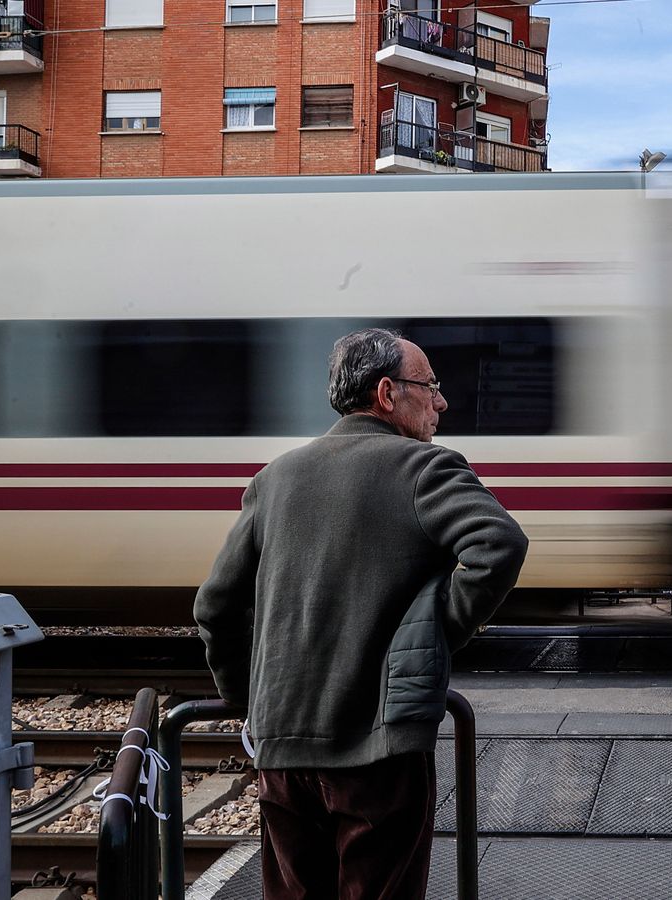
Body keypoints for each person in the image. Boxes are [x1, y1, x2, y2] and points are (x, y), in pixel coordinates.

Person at [195, 327, 528, 900]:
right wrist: (431, 634)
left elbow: (215, 607)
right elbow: (498, 544)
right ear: (386, 393)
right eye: (430, 386)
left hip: (283, 752)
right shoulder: (424, 470)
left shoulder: (273, 480)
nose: (441, 402)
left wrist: (250, 700)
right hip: (379, 753)